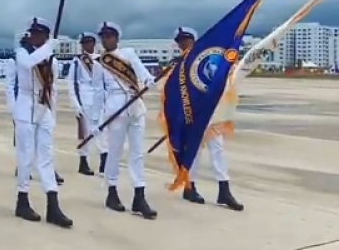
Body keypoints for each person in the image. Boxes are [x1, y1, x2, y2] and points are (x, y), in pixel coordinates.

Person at [172, 27, 244, 211]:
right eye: (180, 41)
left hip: (210, 113)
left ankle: (223, 189)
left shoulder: (206, 61)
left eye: (187, 40)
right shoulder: (177, 66)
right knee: (194, 152)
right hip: (190, 115)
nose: (183, 44)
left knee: (217, 149)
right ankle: (190, 186)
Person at [12, 18, 72, 228]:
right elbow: (29, 64)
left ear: (46, 35)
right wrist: (48, 48)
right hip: (26, 105)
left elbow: (52, 88)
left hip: (44, 107)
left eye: (40, 34)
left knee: (46, 156)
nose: (35, 37)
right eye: (33, 33)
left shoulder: (51, 59)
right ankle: (22, 199)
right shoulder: (23, 52)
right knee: (26, 155)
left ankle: (53, 204)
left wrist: (52, 113)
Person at [97, 21, 157, 220]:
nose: (107, 39)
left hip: (136, 107)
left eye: (110, 35)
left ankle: (139, 196)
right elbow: (98, 93)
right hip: (115, 110)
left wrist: (150, 82)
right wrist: (98, 120)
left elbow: (145, 76)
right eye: (103, 36)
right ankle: (111, 192)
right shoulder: (100, 62)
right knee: (114, 153)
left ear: (117, 38)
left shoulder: (129, 54)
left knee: (137, 153)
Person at [68, 32, 108, 176]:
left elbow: (105, 82)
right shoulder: (77, 62)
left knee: (101, 130)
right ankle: (83, 161)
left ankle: (104, 158)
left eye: (90, 42)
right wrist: (75, 104)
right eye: (85, 43)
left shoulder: (102, 60)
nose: (88, 45)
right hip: (84, 100)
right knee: (84, 133)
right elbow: (72, 84)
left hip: (99, 101)